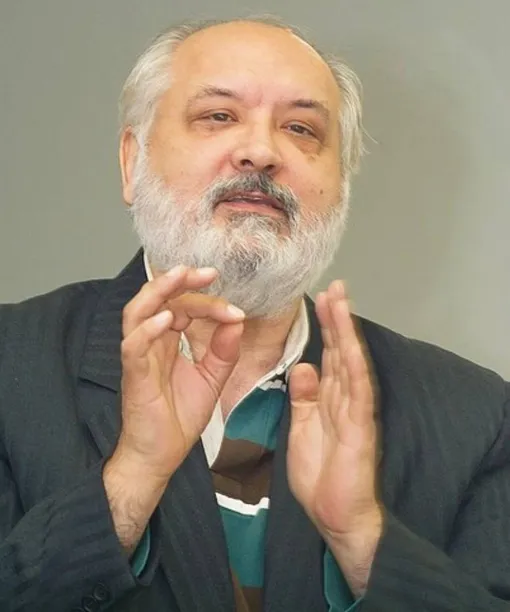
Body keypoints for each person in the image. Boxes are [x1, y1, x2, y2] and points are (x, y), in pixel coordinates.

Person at [0, 15, 509, 612]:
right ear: (132, 162)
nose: (262, 152)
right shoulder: (13, 365)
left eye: (300, 128)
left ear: (341, 185)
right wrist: (131, 479)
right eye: (218, 116)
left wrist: (362, 540)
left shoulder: (476, 416)